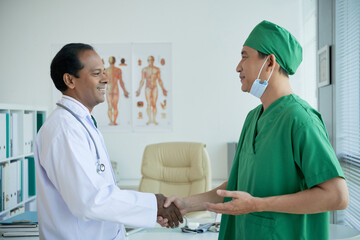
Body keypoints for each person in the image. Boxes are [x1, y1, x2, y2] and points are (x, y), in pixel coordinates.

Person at [159, 20, 349, 239]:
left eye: (245, 56)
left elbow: (337, 196)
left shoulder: (300, 119)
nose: (238, 67)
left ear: (269, 62)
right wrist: (186, 204)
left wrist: (257, 205)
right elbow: (238, 184)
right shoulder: (253, 119)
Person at [35, 43, 182, 240]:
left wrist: (150, 209)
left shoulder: (80, 123)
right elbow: (90, 200)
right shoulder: (64, 129)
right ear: (70, 80)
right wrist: (154, 204)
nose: (106, 78)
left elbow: (100, 193)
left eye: (104, 71)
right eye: (97, 73)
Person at [135, 56, 167, 125]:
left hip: (155, 87)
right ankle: (149, 120)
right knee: (149, 104)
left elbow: (159, 80)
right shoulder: (144, 70)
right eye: (149, 60)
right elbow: (142, 80)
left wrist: (163, 89)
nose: (150, 61)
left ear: (153, 61)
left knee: (154, 104)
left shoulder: (157, 69)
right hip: (147, 88)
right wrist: (139, 90)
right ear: (147, 61)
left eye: (151, 60)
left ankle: (154, 120)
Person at [104, 56, 129, 125]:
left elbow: (104, 81)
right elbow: (121, 82)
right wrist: (124, 91)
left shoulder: (106, 70)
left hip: (109, 89)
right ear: (115, 61)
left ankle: (112, 121)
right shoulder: (117, 70)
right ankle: (113, 121)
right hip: (115, 89)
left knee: (110, 106)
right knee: (114, 106)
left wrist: (124, 91)